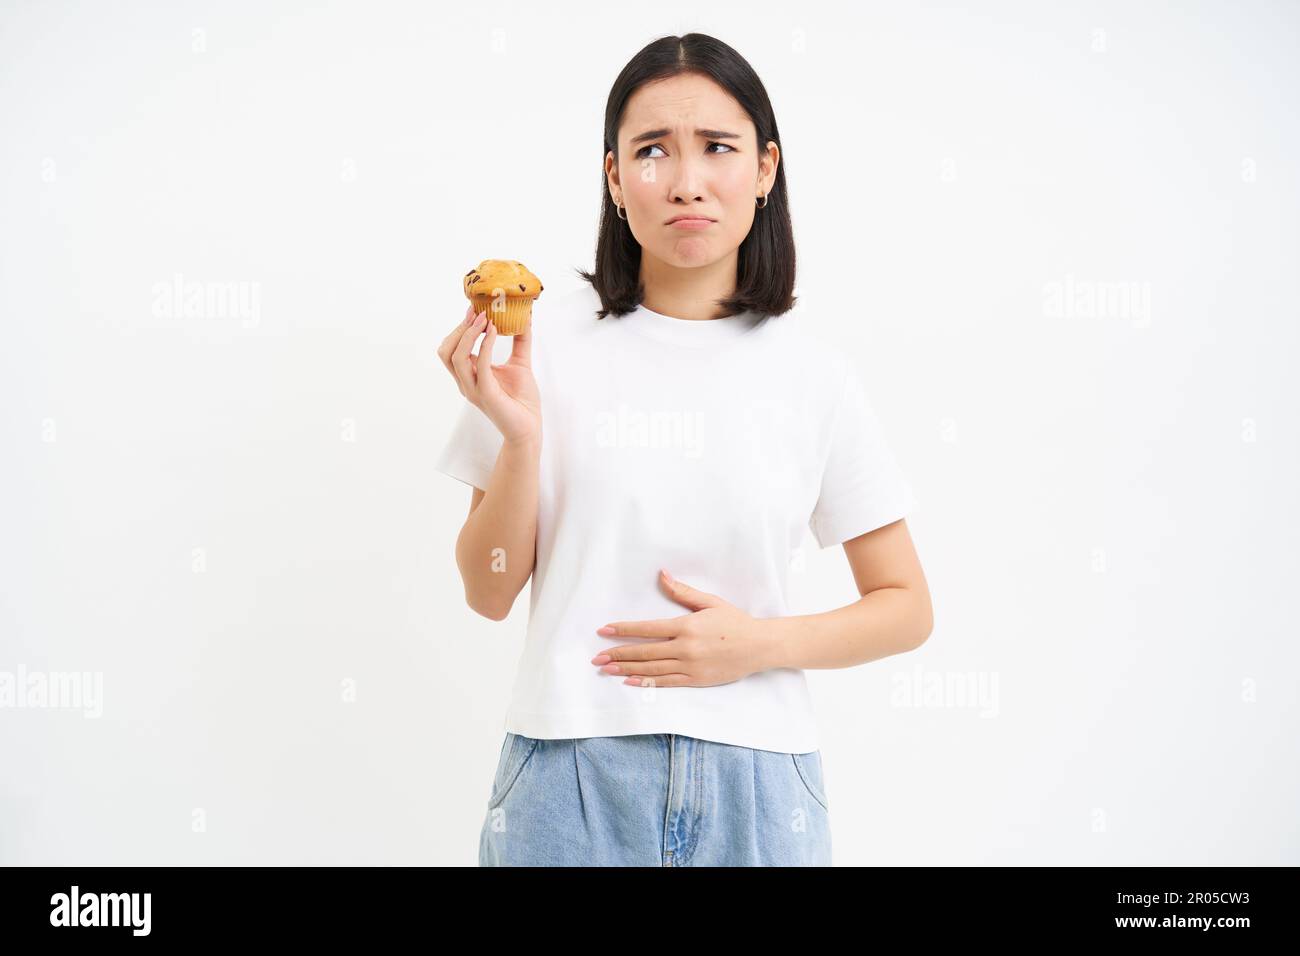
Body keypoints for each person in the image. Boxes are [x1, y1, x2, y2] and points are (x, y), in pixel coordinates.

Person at [435, 33, 933, 867]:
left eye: (718, 148)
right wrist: (521, 441)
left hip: (761, 788)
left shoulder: (815, 377)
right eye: (653, 150)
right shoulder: (538, 353)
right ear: (615, 179)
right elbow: (489, 594)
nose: (686, 181)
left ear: (766, 170)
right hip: (568, 778)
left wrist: (758, 644)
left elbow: (907, 605)